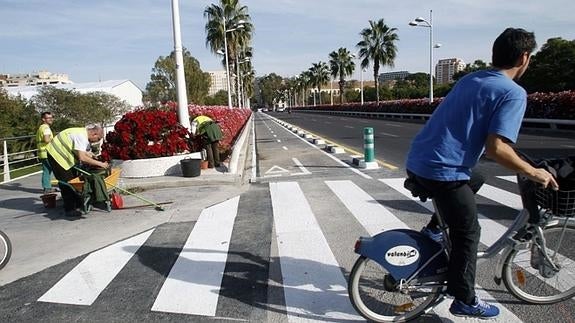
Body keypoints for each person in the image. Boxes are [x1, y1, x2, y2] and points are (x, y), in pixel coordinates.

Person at [405, 28, 559, 319]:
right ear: (525, 57)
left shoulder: (472, 79)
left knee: (476, 177)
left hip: (419, 160)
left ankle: (435, 229)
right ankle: (464, 298)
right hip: (442, 171)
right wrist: (534, 173)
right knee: (468, 231)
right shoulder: (513, 92)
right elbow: (497, 149)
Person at [46, 124, 109, 217]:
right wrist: (101, 164)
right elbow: (82, 157)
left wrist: (91, 156)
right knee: (67, 182)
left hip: (61, 154)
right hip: (56, 155)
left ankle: (79, 204)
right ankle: (70, 209)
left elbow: (81, 151)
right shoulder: (82, 137)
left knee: (74, 179)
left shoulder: (81, 133)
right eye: (98, 139)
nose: (97, 141)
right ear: (94, 134)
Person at [36, 112, 55, 194]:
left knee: (46, 170)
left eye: (52, 117)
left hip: (42, 153)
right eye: (48, 118)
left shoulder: (41, 128)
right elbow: (47, 140)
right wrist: (56, 140)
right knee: (56, 169)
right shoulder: (46, 128)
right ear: (43, 119)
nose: (51, 119)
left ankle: (47, 188)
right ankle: (48, 188)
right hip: (47, 152)